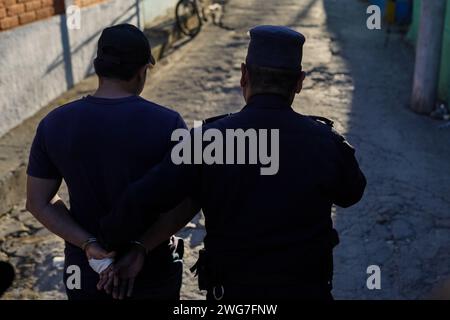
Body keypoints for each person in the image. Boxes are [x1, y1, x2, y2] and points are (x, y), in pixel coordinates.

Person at [98, 25, 367, 300]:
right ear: (299, 82)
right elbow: (352, 193)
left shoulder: (208, 141)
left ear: (243, 75)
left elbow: (145, 197)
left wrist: (108, 243)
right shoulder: (325, 142)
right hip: (307, 293)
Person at [26, 24, 188, 300]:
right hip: (150, 267)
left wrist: (89, 245)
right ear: (141, 71)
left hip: (86, 271)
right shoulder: (168, 123)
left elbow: (38, 202)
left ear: (97, 67)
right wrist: (140, 247)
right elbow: (186, 201)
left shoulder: (54, 123)